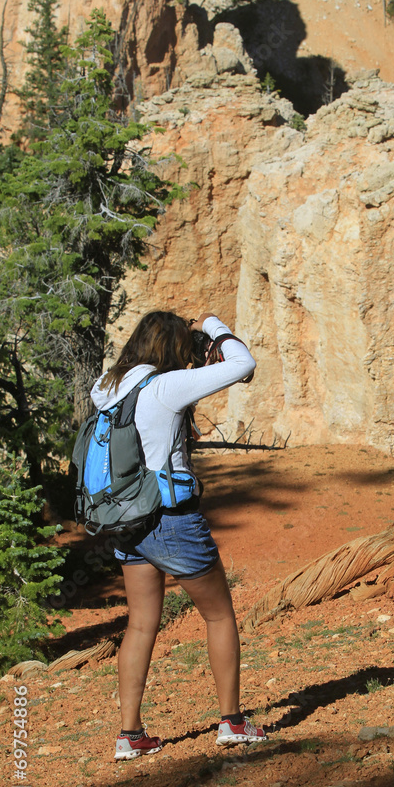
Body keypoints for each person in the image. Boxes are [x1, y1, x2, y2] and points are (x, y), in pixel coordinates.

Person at [89, 310, 267, 761]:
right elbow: (242, 365)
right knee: (219, 616)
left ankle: (130, 735)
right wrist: (214, 326)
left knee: (141, 623)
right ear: (172, 349)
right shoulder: (164, 387)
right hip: (170, 519)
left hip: (126, 519)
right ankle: (232, 722)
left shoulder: (107, 386)